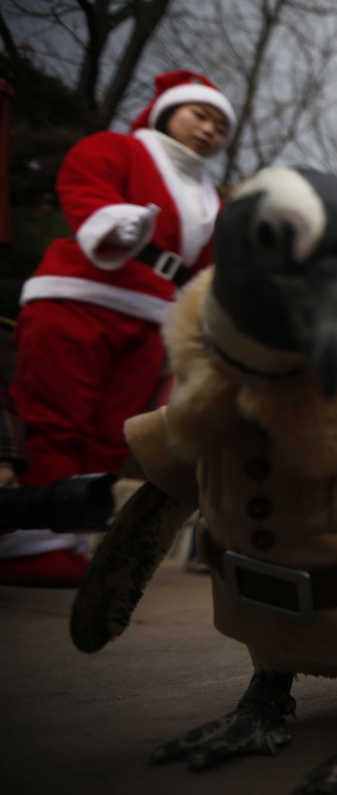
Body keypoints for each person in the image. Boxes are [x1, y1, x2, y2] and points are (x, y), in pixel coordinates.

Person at [1, 70, 235, 586]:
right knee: (57, 418)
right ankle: (27, 540)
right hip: (79, 297)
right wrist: (110, 218)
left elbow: (209, 269)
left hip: (152, 320)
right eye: (200, 115)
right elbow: (82, 183)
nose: (208, 131)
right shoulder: (118, 149)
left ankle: (66, 539)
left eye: (220, 126)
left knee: (111, 433)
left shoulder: (208, 197)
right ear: (167, 110)